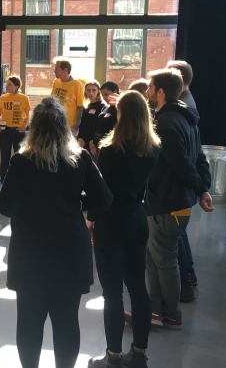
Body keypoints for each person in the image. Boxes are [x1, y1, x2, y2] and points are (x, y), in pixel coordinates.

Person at [0, 97, 112, 368]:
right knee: (67, 322)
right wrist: (76, 201)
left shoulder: (22, 161)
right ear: (64, 128)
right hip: (70, 252)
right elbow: (104, 200)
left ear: (34, 128)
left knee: (28, 323)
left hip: (30, 253)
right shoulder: (80, 158)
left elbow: (4, 206)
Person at [86, 91, 160, 368]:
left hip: (110, 223)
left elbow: (101, 192)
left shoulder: (108, 151)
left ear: (122, 116)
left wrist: (90, 220)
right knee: (138, 289)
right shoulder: (153, 150)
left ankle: (114, 356)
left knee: (112, 293)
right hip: (137, 220)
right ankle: (139, 354)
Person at [143, 68, 213, 330]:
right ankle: (155, 308)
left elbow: (183, 164)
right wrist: (203, 188)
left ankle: (171, 313)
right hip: (174, 201)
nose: (148, 92)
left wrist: (200, 188)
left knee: (165, 258)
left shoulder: (165, 124)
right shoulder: (186, 118)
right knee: (154, 256)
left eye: (150, 88)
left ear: (161, 92)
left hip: (169, 203)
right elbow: (199, 159)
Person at [166, 60, 198, 300]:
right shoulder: (187, 106)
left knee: (174, 237)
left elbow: (182, 160)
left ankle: (185, 283)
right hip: (182, 187)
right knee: (179, 234)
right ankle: (189, 276)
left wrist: (200, 186)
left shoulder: (177, 113)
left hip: (175, 189)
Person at [0, 75, 31, 181]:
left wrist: (24, 126)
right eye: (6, 84)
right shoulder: (2, 98)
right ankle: (4, 180)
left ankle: (18, 180)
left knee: (19, 157)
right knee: (5, 157)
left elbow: (28, 115)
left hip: (18, 131)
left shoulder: (24, 98)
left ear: (16, 86)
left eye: (10, 85)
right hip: (5, 131)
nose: (7, 86)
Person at [50, 57, 84, 134]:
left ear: (65, 70)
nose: (54, 71)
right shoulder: (56, 82)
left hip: (69, 126)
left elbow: (80, 107)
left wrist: (76, 126)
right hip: (55, 124)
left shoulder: (76, 84)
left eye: (56, 69)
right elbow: (51, 101)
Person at [91, 81, 120, 157]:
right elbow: (98, 124)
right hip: (97, 143)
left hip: (109, 145)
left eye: (106, 94)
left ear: (115, 92)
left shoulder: (119, 109)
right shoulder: (105, 107)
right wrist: (93, 142)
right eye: (102, 95)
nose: (104, 98)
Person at [76, 80, 106, 151]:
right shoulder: (86, 107)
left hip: (93, 143)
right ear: (85, 91)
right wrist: (79, 137)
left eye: (94, 90)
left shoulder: (102, 106)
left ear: (98, 91)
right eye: (88, 90)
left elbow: (99, 126)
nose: (91, 93)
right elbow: (82, 124)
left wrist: (93, 142)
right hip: (82, 142)